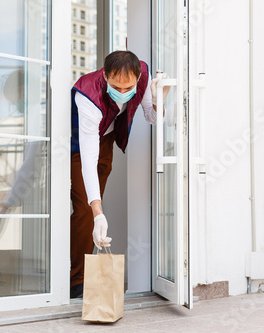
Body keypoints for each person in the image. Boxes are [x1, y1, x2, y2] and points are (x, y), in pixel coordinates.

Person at [70, 50, 170, 298]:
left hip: (107, 137)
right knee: (85, 209)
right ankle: (76, 280)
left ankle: (80, 273)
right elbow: (88, 160)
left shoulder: (143, 75)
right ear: (104, 76)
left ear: (138, 77)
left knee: (91, 207)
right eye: (116, 87)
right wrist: (98, 214)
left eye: (129, 87)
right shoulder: (88, 97)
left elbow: (153, 117)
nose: (123, 93)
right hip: (79, 143)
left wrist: (161, 99)